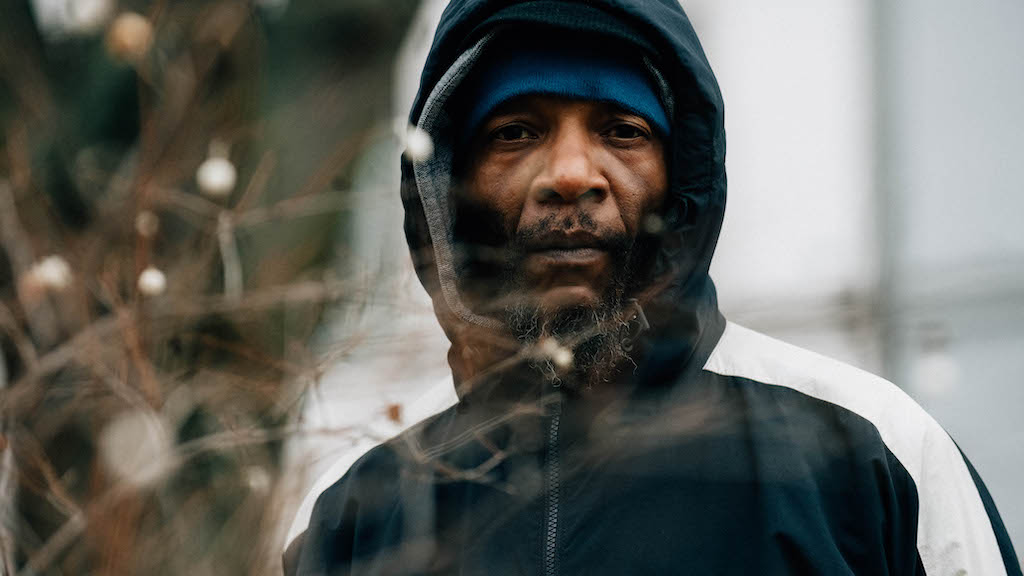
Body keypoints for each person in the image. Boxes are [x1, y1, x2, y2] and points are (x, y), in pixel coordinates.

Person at [285, 1, 1021, 574]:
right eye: (515, 132)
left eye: (622, 130)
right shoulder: (356, 510)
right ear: (451, 188)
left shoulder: (872, 456)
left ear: (681, 178)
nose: (570, 174)